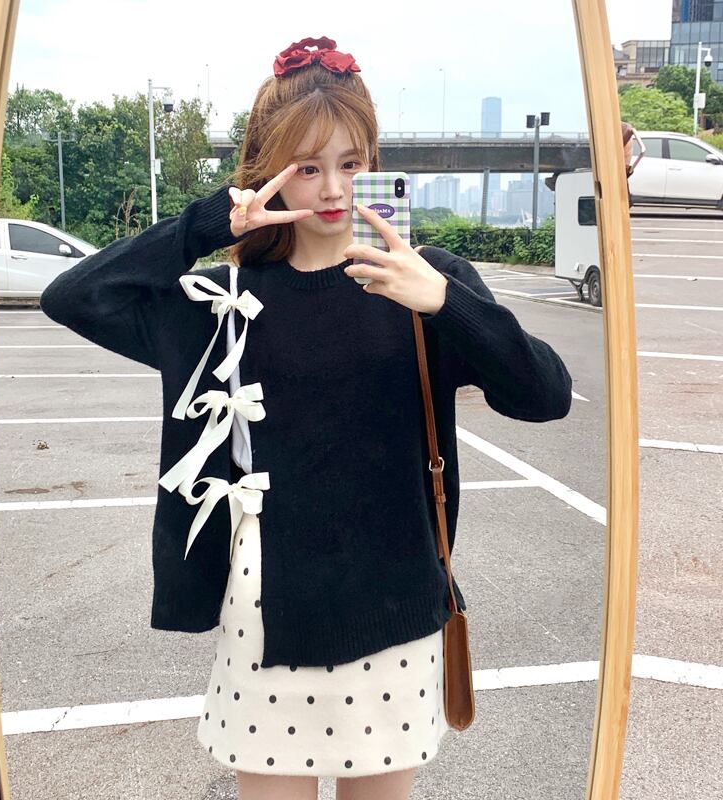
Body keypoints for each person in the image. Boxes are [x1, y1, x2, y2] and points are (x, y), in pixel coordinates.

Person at [39, 36, 573, 800]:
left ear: (373, 161)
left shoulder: (422, 283)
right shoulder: (225, 300)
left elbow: (546, 396)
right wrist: (210, 224)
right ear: (269, 171)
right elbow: (73, 297)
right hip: (268, 613)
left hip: (396, 609)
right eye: (307, 167)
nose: (333, 189)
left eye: (351, 163)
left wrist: (447, 303)